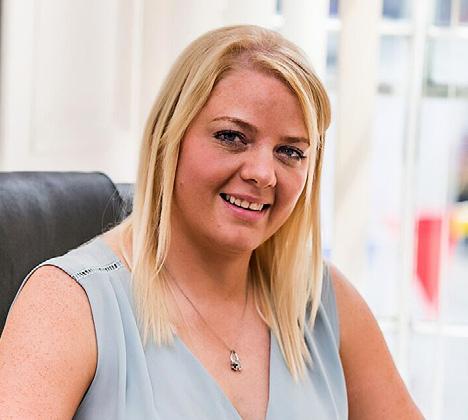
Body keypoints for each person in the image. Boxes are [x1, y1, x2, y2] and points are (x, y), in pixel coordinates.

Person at [0, 25, 422, 419]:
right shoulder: (67, 303)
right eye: (232, 137)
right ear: (169, 140)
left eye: (290, 152)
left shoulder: (322, 301)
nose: (263, 173)